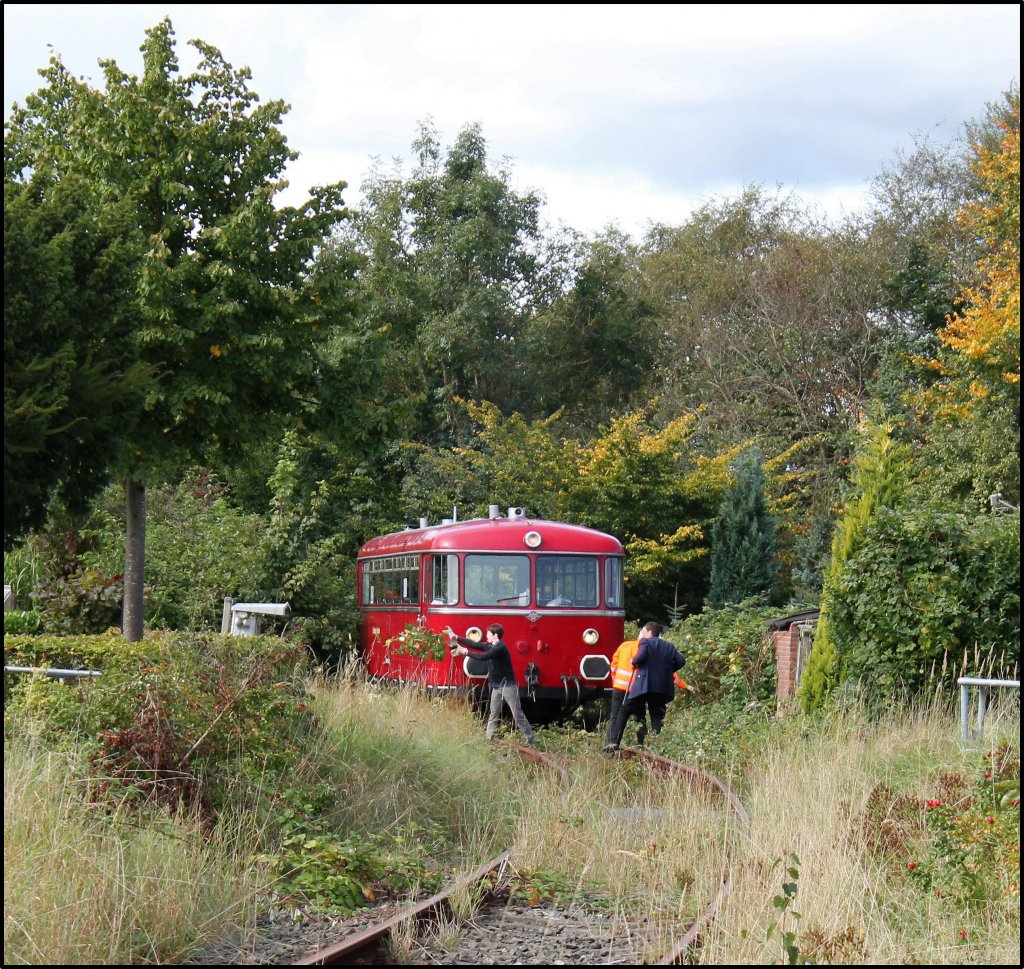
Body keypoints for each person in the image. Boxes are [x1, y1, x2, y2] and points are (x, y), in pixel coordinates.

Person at [446, 623, 535, 746]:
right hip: (496, 686)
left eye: (488, 634)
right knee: (493, 713)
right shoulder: (490, 645)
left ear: (495, 635)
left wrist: (464, 651)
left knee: (517, 714)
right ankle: (489, 739)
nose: (486, 636)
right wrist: (456, 637)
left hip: (508, 686)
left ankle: (530, 740)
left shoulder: (499, 648)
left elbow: (483, 657)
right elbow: (475, 644)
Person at [604, 621, 685, 752]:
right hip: (661, 688)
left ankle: (613, 742)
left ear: (648, 631)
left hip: (644, 686)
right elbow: (681, 660)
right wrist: (668, 670)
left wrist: (634, 661)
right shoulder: (669, 646)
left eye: (643, 631)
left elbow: (640, 657)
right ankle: (655, 745)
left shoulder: (645, 642)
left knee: (624, 710)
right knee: (657, 716)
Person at [605, 638, 648, 747]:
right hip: (636, 690)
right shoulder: (647, 649)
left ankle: (610, 744)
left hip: (619, 687)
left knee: (614, 716)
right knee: (640, 717)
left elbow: (614, 665)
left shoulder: (625, 645)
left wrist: (615, 682)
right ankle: (642, 744)